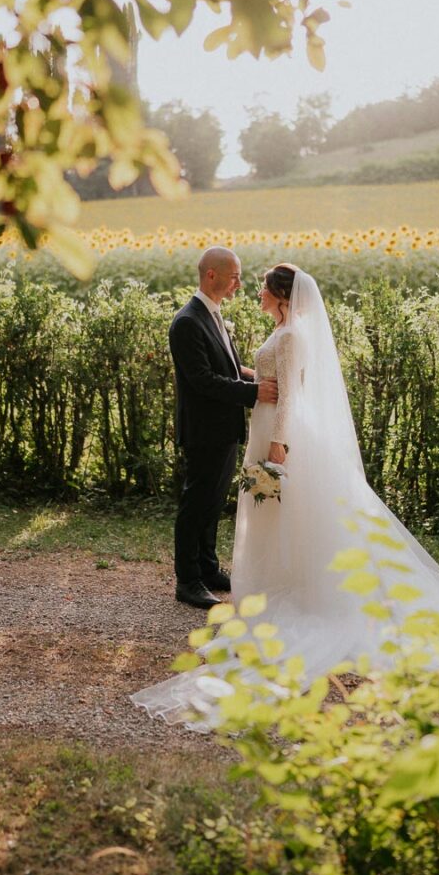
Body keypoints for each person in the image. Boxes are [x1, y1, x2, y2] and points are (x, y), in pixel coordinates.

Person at [132, 264, 439, 725]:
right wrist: (250, 383)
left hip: (276, 431)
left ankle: (298, 582)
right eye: (243, 278)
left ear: (280, 295)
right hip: (260, 423)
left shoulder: (292, 334)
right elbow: (259, 375)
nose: (252, 289)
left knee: (289, 510)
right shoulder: (278, 329)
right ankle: (265, 575)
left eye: (259, 284)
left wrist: (278, 442)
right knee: (270, 511)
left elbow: (292, 397)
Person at [166, 245, 278, 609]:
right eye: (234, 277)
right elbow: (203, 381)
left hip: (224, 427)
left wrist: (257, 375)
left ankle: (210, 569)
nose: (239, 285)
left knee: (213, 502)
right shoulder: (187, 322)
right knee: (196, 503)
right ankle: (188, 580)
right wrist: (254, 392)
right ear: (211, 275)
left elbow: (227, 369)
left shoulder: (213, 315)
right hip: (203, 429)